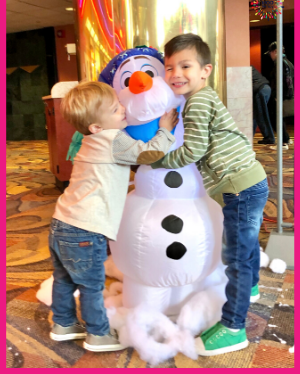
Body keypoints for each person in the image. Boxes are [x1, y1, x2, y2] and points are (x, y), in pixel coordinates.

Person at [151, 33, 268, 356]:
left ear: (206, 70)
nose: (175, 74)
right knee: (247, 246)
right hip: (250, 181)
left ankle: (233, 326)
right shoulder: (203, 97)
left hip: (239, 187)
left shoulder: (198, 101)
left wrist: (158, 159)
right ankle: (253, 286)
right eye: (170, 67)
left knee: (236, 258)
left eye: (185, 66)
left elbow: (193, 150)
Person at [48, 81, 178, 352]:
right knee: (92, 285)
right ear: (97, 126)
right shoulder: (113, 139)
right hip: (85, 229)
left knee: (64, 279)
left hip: (62, 223)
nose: (122, 108)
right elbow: (148, 153)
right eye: (114, 108)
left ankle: (63, 324)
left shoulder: (89, 141)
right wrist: (165, 130)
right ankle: (98, 334)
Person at [265, 41, 294, 150]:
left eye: (270, 53)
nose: (270, 56)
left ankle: (283, 143)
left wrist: (277, 95)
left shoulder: (279, 62)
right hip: (288, 95)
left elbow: (279, 80)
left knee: (275, 117)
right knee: (280, 118)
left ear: (275, 51)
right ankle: (286, 139)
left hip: (280, 95)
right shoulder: (288, 62)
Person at [252, 66, 275, 144]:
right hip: (265, 88)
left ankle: (269, 137)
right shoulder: (249, 67)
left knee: (261, 115)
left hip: (260, 90)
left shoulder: (245, 68)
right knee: (256, 114)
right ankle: (251, 135)